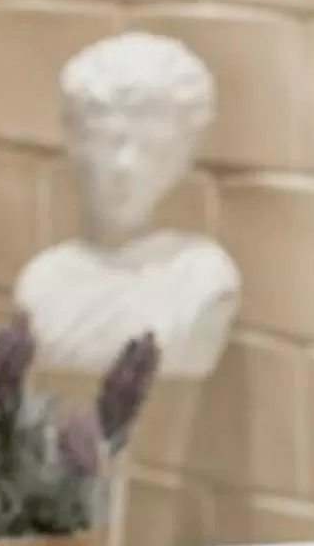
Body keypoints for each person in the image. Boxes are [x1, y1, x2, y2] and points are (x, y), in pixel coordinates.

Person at [12, 32, 240, 382]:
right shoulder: (43, 281)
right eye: (107, 141)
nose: (125, 166)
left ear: (183, 156)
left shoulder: (200, 279)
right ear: (75, 143)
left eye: (150, 148)